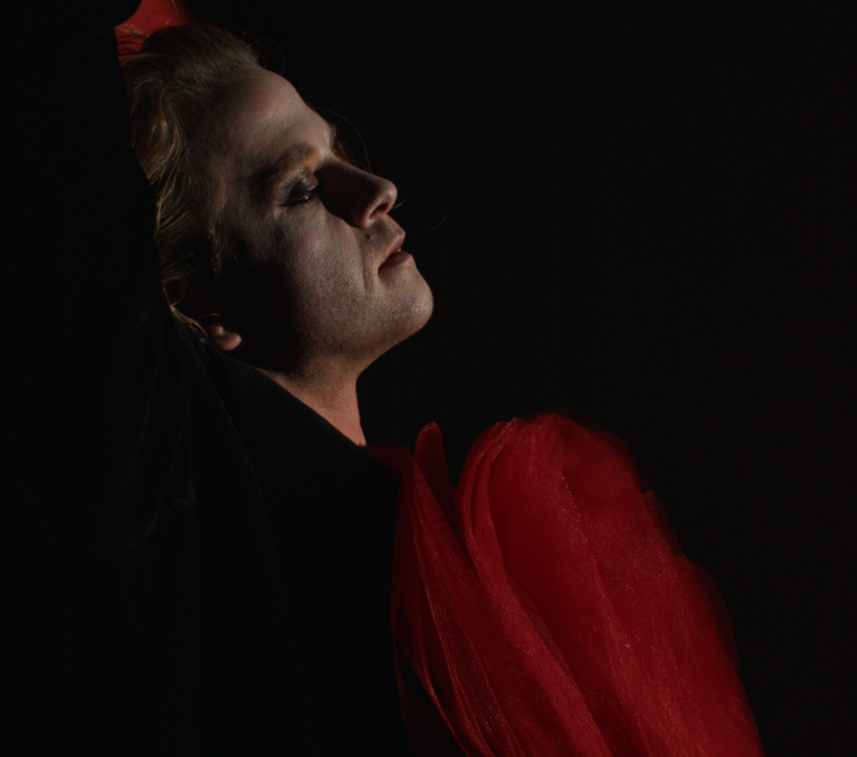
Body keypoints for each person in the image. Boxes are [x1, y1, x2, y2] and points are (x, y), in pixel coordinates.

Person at [6, 4, 762, 755]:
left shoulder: (445, 543)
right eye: (300, 189)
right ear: (197, 305)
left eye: (336, 152)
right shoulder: (165, 493)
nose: (377, 189)